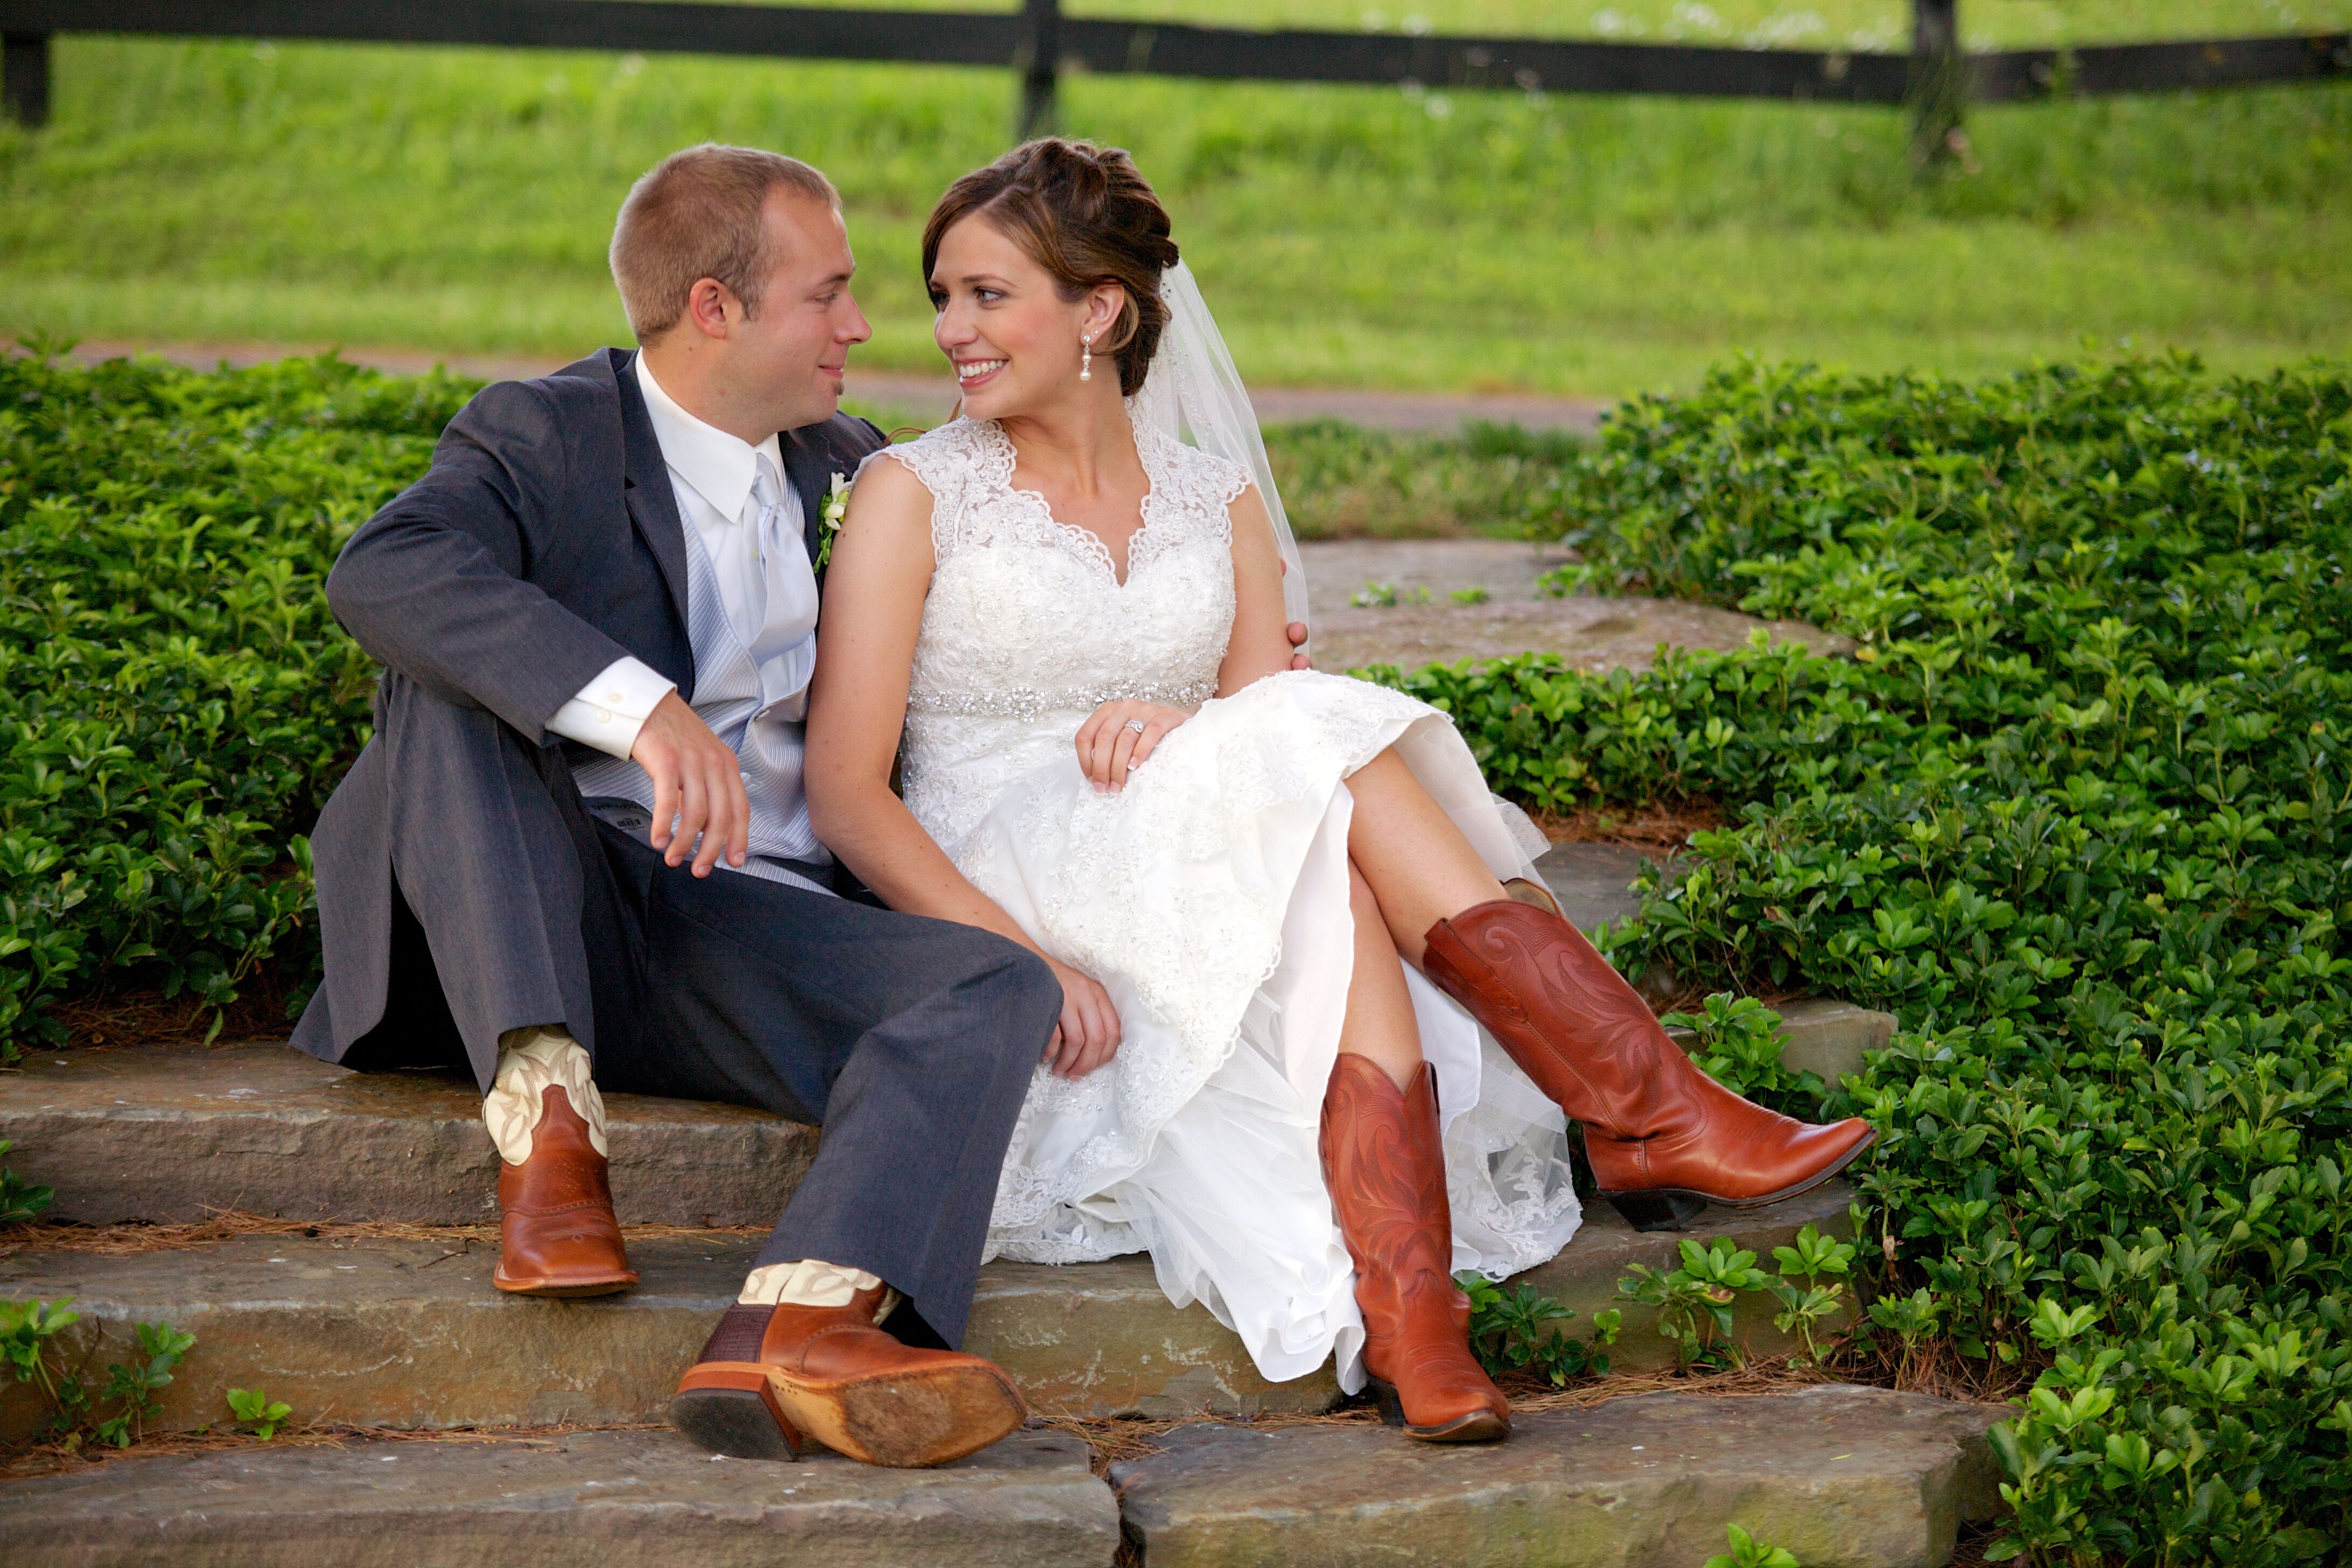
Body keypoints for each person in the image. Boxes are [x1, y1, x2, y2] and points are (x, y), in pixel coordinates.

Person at [804, 138, 1877, 1444]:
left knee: (1318, 822)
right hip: (1005, 862)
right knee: (1307, 751)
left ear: (1100, 310)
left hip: (1197, 843)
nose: (948, 332)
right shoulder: (913, 495)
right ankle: (1640, 1109)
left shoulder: (1217, 499)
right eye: (943, 297)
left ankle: (1420, 1316)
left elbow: (1273, 739)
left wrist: (1182, 723)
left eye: (987, 295)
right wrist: (1014, 953)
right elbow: (852, 792)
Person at [292, 144, 1081, 1469]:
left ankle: (797, 1324)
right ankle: (546, 1119)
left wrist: (1188, 677)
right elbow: (386, 567)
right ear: (715, 310)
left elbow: (1009, 645)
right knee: (451, 678)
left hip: (739, 921)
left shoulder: (857, 466)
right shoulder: (545, 433)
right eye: (827, 295)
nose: (863, 325)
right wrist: (639, 710)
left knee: (997, 987)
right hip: (544, 898)